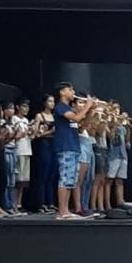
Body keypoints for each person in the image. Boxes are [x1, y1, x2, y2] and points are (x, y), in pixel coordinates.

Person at [53, 82, 96, 219]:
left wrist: (90, 112)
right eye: (70, 90)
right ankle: (62, 212)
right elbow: (77, 118)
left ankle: (66, 210)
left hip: (74, 146)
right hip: (65, 147)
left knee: (71, 180)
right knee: (65, 179)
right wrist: (87, 105)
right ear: (62, 92)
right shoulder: (60, 107)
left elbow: (81, 126)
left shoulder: (68, 109)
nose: (73, 92)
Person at [32, 94, 57, 214]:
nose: (52, 103)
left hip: (54, 144)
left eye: (53, 101)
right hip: (44, 144)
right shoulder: (39, 116)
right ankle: (41, 203)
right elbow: (36, 134)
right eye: (50, 101)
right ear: (45, 103)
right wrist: (49, 132)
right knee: (43, 174)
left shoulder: (55, 116)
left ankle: (50, 202)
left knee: (52, 175)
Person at [105, 103, 129, 210]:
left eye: (118, 108)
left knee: (120, 181)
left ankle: (120, 202)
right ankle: (107, 204)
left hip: (123, 155)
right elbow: (111, 136)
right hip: (113, 155)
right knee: (109, 180)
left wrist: (127, 125)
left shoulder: (122, 125)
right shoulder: (107, 123)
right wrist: (114, 124)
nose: (117, 111)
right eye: (114, 109)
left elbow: (128, 141)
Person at [12, 98, 34, 213]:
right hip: (18, 150)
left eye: (27, 107)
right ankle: (13, 204)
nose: (26, 109)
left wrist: (32, 132)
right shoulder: (14, 119)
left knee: (23, 181)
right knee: (16, 180)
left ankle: (19, 204)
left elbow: (31, 136)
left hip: (27, 150)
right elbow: (12, 136)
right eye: (24, 106)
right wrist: (20, 134)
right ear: (17, 107)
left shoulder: (26, 120)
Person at [0, 101, 20, 213]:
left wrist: (16, 136)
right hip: (6, 150)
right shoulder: (3, 123)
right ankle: (7, 205)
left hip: (13, 149)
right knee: (7, 179)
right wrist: (13, 135)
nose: (12, 111)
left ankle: (12, 205)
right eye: (10, 108)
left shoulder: (11, 122)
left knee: (12, 179)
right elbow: (3, 140)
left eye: (13, 108)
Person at [90, 114, 110, 212]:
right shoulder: (95, 121)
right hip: (98, 148)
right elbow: (99, 132)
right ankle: (93, 205)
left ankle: (101, 205)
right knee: (97, 179)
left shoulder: (104, 122)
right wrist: (103, 121)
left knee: (103, 180)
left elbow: (111, 136)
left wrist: (113, 125)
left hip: (105, 149)